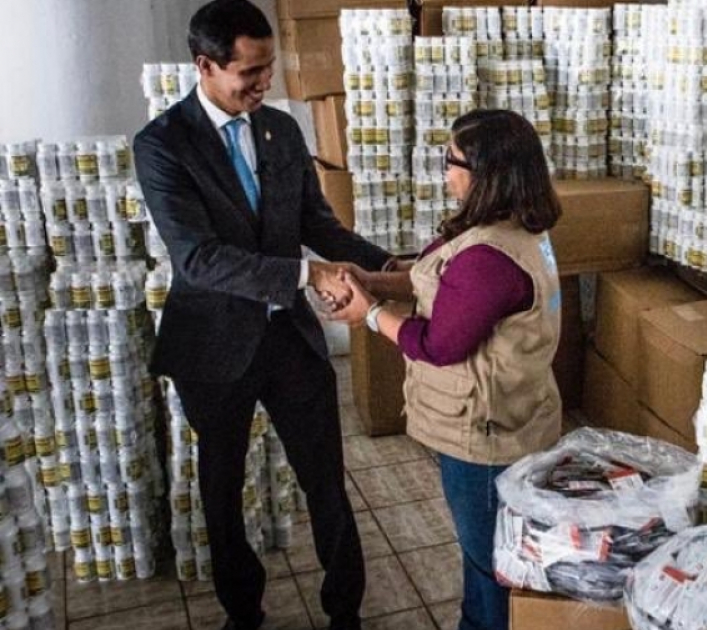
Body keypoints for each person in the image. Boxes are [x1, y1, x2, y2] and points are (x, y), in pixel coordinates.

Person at [134, 2, 396, 628]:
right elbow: (198, 259)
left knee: (327, 482)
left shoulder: (280, 130)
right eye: (250, 72)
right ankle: (243, 612)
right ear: (205, 65)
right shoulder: (163, 145)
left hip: (289, 341)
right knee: (222, 491)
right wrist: (308, 275)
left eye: (269, 67)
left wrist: (397, 267)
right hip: (214, 346)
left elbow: (316, 225)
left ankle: (345, 612)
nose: (264, 84)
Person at [328, 109, 564, 630]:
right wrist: (375, 280)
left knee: (489, 565)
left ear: (486, 173)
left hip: (486, 439)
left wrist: (367, 313)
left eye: (451, 161)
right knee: (485, 558)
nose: (445, 172)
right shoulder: (507, 228)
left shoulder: (491, 257)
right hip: (513, 416)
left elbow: (439, 344)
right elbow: (443, 284)